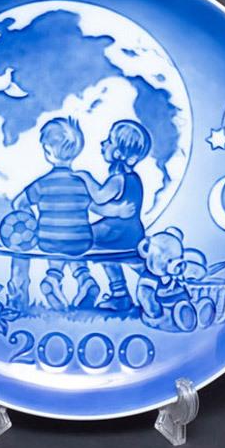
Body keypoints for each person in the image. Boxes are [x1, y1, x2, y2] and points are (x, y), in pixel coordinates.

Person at [11, 117, 132, 309]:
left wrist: (31, 223)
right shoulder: (81, 183)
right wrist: (117, 210)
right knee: (74, 247)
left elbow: (18, 203)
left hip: (48, 240)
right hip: (81, 241)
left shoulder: (42, 184)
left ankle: (52, 278)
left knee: (56, 248)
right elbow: (96, 207)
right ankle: (85, 279)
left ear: (48, 151)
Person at [75, 119, 152, 311]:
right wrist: (109, 210)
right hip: (133, 232)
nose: (103, 143)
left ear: (119, 153)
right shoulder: (134, 178)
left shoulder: (118, 180)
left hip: (116, 233)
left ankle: (92, 282)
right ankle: (124, 295)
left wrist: (85, 178)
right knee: (116, 259)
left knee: (80, 237)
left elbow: (99, 197)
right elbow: (109, 208)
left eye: (109, 141)